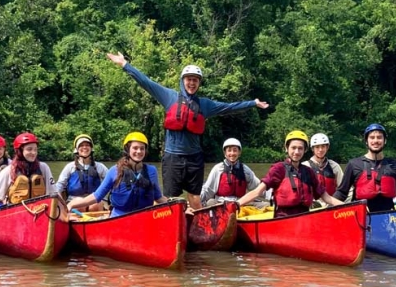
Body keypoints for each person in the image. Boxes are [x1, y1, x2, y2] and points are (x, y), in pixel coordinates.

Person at [106, 52, 269, 210]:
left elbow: (229, 107)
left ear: (199, 83)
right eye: (189, 79)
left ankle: (198, 229)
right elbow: (146, 82)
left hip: (194, 159)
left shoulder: (205, 105)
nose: (192, 83)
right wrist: (124, 64)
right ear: (183, 80)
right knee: (169, 197)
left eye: (196, 80)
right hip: (173, 157)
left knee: (195, 198)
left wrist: (252, 103)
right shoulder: (169, 97)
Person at [236, 131, 342, 217]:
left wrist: (351, 206)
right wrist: (236, 204)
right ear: (287, 148)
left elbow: (327, 198)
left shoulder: (308, 172)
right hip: (283, 218)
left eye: (300, 148)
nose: (296, 152)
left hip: (305, 217)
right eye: (293, 148)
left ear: (305, 150)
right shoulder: (278, 168)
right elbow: (257, 192)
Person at [67, 132, 168, 217]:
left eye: (142, 148)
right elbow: (97, 196)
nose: (139, 151)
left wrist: (176, 205)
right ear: (128, 150)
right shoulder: (114, 171)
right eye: (135, 148)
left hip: (144, 217)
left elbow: (158, 197)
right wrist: (72, 204)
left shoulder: (152, 171)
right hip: (120, 218)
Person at [0, 132, 57, 211]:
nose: (33, 153)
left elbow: (54, 193)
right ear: (20, 151)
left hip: (39, 210)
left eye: (35, 150)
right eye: (29, 149)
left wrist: (66, 209)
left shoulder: (43, 167)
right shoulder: (9, 170)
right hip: (16, 212)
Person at [332, 123, 396, 212]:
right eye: (372, 137)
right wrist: (328, 208)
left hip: (388, 218)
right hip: (361, 218)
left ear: (384, 140)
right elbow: (342, 193)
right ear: (366, 141)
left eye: (379, 137)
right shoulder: (354, 164)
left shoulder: (394, 164)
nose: (376, 140)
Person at [200, 138, 263, 208]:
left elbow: (259, 187)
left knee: (266, 205)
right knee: (210, 202)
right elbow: (208, 190)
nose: (232, 153)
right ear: (225, 153)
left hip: (241, 204)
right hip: (221, 204)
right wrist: (197, 201)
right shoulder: (218, 169)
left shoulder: (245, 170)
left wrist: (272, 194)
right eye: (229, 150)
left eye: (235, 150)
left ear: (239, 153)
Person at [54, 134, 108, 212]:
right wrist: (60, 203)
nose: (85, 147)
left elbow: (112, 182)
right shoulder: (70, 167)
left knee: (96, 204)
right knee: (79, 202)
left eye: (87, 145)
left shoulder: (99, 167)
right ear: (77, 149)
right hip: (74, 201)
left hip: (94, 201)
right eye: (81, 145)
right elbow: (59, 185)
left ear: (91, 148)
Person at [302, 133, 344, 208]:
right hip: (313, 207)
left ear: (327, 147)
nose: (320, 150)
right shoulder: (305, 166)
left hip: (332, 205)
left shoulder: (334, 166)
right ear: (312, 149)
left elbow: (344, 188)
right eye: (317, 147)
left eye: (323, 146)